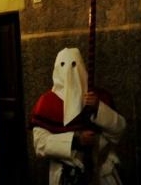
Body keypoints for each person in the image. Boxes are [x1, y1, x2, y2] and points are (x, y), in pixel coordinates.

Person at [29, 47, 126, 185]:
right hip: (65, 175)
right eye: (63, 65)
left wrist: (99, 107)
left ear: (81, 66)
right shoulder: (46, 102)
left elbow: (119, 130)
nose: (68, 72)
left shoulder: (99, 97)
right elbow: (40, 144)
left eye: (74, 65)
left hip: (101, 172)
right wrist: (76, 140)